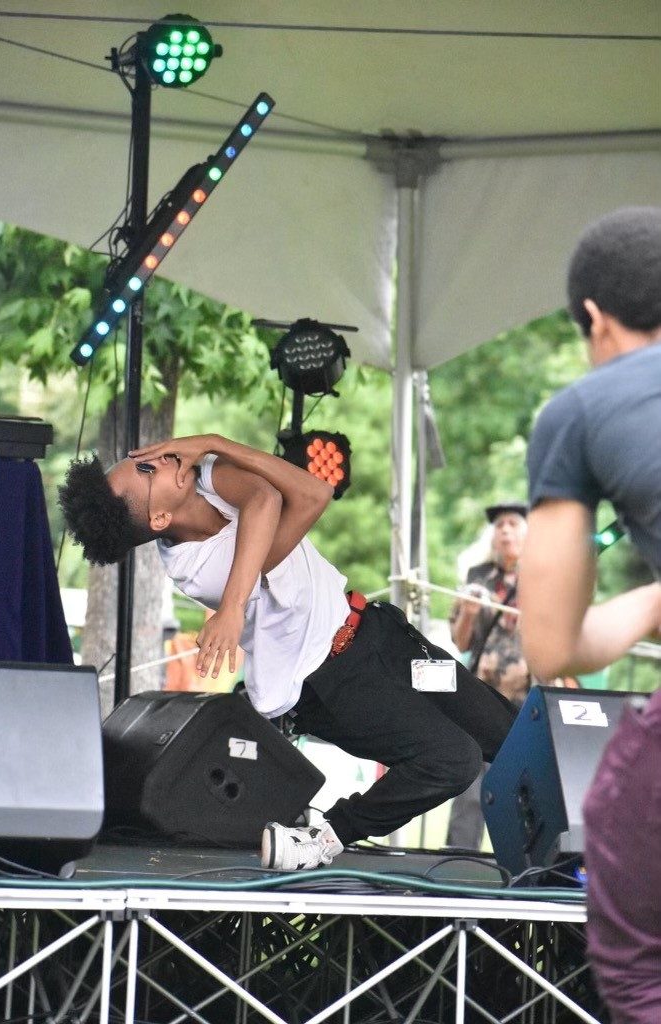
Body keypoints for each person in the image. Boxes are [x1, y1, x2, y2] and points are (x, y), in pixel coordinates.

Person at [60, 433, 516, 871]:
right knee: (454, 761)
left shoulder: (206, 476)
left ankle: (565, 852)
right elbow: (298, 501)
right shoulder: (194, 570)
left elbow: (300, 490)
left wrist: (215, 441)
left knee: (512, 736)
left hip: (379, 633)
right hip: (331, 681)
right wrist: (233, 604)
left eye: (149, 456)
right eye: (145, 469)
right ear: (159, 518)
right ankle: (325, 836)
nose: (160, 457)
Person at [519, 206, 661, 1024]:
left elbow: (550, 644)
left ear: (596, 321)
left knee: (616, 815)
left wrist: (641, 601)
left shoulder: (579, 411)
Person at [446, 500, 529, 849]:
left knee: (526, 790)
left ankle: (525, 870)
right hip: (482, 698)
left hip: (528, 702)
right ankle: (459, 866)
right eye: (499, 525)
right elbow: (460, 640)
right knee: (470, 789)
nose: (505, 530)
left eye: (512, 523)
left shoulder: (546, 577)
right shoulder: (478, 577)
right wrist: (468, 612)